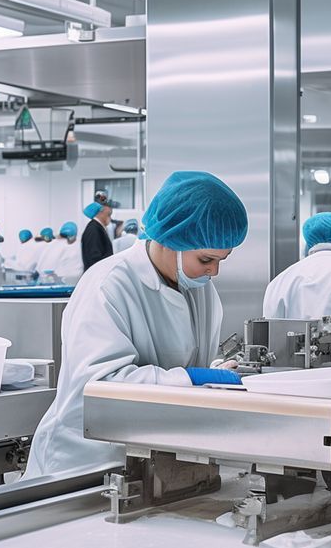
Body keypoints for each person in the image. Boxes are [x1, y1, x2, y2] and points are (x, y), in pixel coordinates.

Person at [24, 172, 247, 478]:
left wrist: (216, 372)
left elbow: (188, 360)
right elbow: (98, 387)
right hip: (87, 462)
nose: (215, 270)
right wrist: (191, 379)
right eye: (206, 258)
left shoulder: (200, 287)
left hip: (155, 457)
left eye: (223, 259)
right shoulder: (108, 285)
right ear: (171, 240)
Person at [80, 200, 116, 271]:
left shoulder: (98, 228)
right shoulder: (94, 229)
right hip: (96, 274)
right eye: (108, 214)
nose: (110, 217)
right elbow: (94, 257)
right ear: (100, 211)